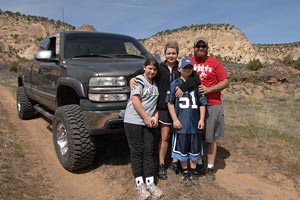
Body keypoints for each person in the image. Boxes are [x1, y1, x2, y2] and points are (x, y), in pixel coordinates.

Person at [128, 42, 200, 180]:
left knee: (180, 135)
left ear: (177, 54)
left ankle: (177, 161)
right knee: (165, 136)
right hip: (163, 106)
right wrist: (131, 78)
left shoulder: (182, 67)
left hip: (182, 108)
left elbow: (196, 79)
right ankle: (161, 164)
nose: (171, 56)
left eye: (173, 53)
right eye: (168, 53)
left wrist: (184, 86)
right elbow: (141, 72)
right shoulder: (160, 67)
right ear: (164, 54)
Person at [190, 36, 229, 183]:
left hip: (213, 103)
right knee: (196, 135)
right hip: (193, 105)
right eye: (198, 46)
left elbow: (225, 81)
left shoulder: (215, 63)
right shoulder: (189, 62)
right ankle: (199, 163)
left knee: (210, 137)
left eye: (203, 46)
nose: (200, 49)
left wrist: (209, 89)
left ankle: (211, 167)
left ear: (207, 48)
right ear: (194, 48)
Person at [123, 58, 163, 200]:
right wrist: (146, 118)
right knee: (137, 151)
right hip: (134, 121)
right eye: (149, 68)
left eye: (154, 69)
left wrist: (155, 117)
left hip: (149, 122)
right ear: (144, 68)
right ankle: (140, 184)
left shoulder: (155, 84)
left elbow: (155, 104)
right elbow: (135, 100)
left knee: (149, 150)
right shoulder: (138, 80)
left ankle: (150, 182)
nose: (152, 71)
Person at [166, 57, 207, 186]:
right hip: (181, 124)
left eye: (190, 67)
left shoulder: (196, 84)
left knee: (194, 150)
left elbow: (202, 103)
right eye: (185, 67)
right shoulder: (174, 84)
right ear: (179, 69)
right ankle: (185, 172)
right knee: (182, 150)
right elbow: (170, 103)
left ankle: (193, 171)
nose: (187, 69)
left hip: (194, 124)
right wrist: (175, 119)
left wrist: (201, 119)